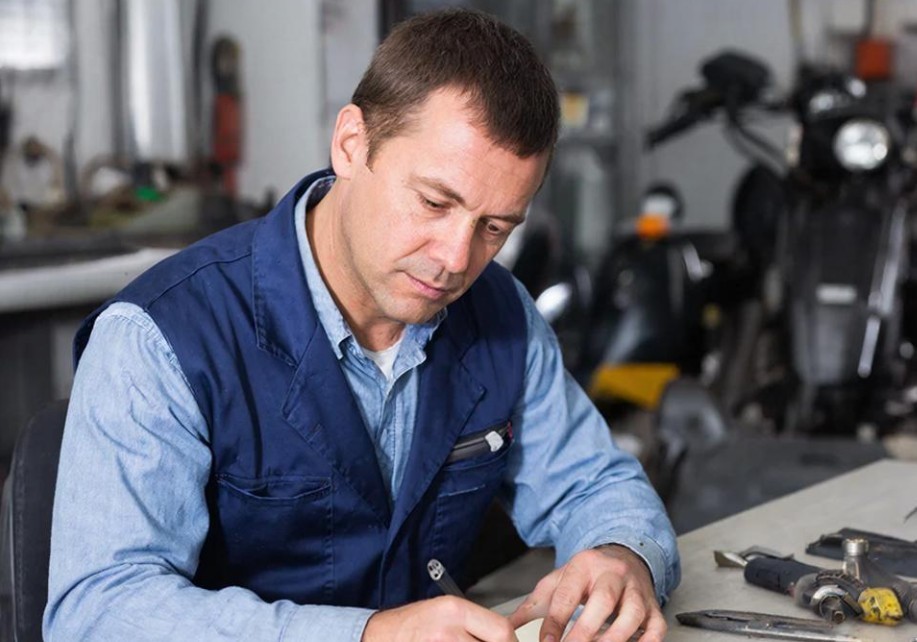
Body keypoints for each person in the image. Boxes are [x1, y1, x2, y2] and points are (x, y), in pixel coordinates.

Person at [44, 8, 680, 642]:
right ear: (351, 143)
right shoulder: (159, 338)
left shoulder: (501, 313)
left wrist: (622, 556)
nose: (456, 259)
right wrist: (369, 635)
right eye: (434, 202)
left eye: (494, 228)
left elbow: (594, 483)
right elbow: (97, 611)